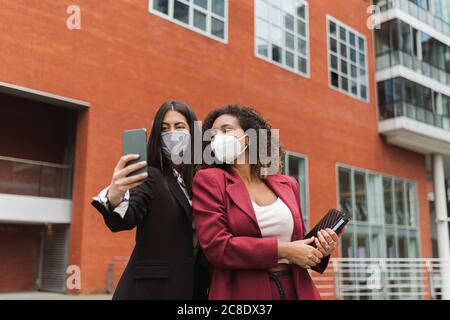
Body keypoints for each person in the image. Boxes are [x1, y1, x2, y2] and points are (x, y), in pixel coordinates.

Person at [192, 105, 343, 300]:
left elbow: (299, 245)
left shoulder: (287, 184)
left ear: (249, 138)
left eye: (226, 130)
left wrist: (322, 248)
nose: (217, 138)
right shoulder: (209, 180)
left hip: (296, 290)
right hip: (243, 294)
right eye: (212, 135)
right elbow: (217, 247)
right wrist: (285, 250)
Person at [91, 100, 210, 300]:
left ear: (193, 133)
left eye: (179, 126)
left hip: (194, 289)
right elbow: (125, 218)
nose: (172, 133)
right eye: (165, 129)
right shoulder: (152, 177)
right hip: (150, 291)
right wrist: (115, 196)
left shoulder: (204, 180)